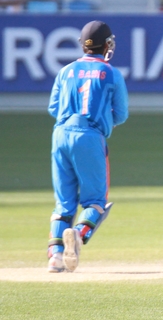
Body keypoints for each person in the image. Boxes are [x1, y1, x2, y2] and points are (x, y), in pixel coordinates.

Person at [46, 20, 128, 273]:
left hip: (60, 135)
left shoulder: (65, 71)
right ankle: (79, 234)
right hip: (90, 136)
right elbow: (121, 114)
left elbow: (52, 108)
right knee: (95, 202)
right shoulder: (111, 72)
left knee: (64, 203)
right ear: (107, 44)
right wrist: (102, 122)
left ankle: (55, 257)